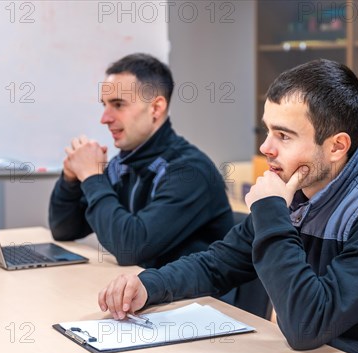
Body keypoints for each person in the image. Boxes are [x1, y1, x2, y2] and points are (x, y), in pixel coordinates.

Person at [97, 59, 358, 353]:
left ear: (337, 146)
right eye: (267, 131)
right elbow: (219, 262)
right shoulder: (304, 183)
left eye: (283, 135)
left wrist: (272, 210)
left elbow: (308, 323)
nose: (266, 148)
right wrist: (148, 285)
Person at [49, 53, 234, 268]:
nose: (105, 118)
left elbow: (132, 249)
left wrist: (92, 177)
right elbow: (64, 229)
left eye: (118, 105)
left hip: (196, 299)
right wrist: (71, 179)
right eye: (104, 105)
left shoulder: (189, 171)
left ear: (155, 108)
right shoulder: (123, 164)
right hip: (147, 290)